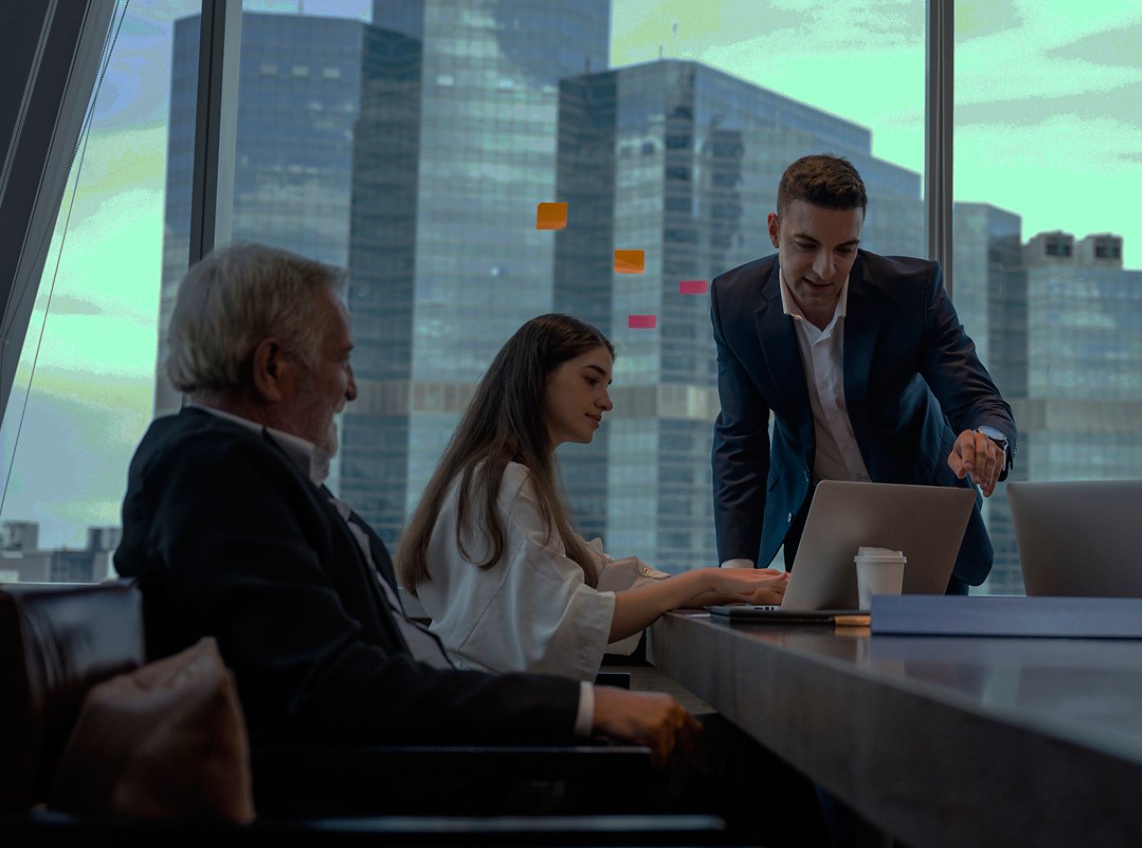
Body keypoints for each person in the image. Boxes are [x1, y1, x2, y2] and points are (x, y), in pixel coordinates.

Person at [114, 244, 697, 762]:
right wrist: (582, 710)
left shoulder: (237, 469)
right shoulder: (214, 474)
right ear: (271, 368)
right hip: (401, 785)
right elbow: (337, 685)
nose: (352, 387)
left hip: (424, 745)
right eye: (340, 359)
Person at [394, 313, 788, 681]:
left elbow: (597, 573)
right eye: (591, 380)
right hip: (498, 717)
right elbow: (571, 618)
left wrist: (728, 586)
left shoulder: (492, 477)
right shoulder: (503, 483)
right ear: (539, 377)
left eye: (606, 385)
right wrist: (703, 579)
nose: (606, 401)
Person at [711, 155, 1017, 592]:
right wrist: (736, 566)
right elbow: (741, 439)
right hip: (820, 524)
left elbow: (975, 396)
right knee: (819, 655)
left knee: (937, 658)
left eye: (844, 250)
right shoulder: (735, 302)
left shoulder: (912, 293)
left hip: (922, 516)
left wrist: (988, 437)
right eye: (806, 245)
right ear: (775, 230)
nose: (825, 270)